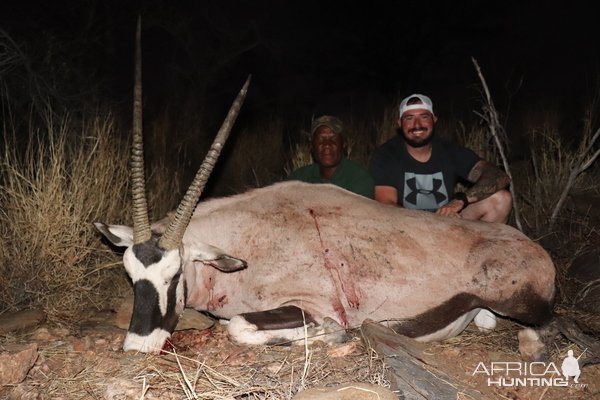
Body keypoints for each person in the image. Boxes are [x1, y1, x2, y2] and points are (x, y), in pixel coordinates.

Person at [369, 94, 512, 223]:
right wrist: (428, 222)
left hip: (447, 221)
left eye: (424, 117)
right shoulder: (386, 154)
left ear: (434, 120)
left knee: (501, 199)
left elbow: (499, 176)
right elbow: (386, 206)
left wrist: (460, 201)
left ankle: (479, 250)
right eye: (409, 118)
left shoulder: (450, 151)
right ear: (399, 124)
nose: (417, 125)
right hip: (407, 224)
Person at [287, 115, 375, 198]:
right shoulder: (298, 178)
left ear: (344, 145)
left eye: (334, 139)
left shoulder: (360, 180)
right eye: (320, 139)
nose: (327, 145)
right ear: (312, 146)